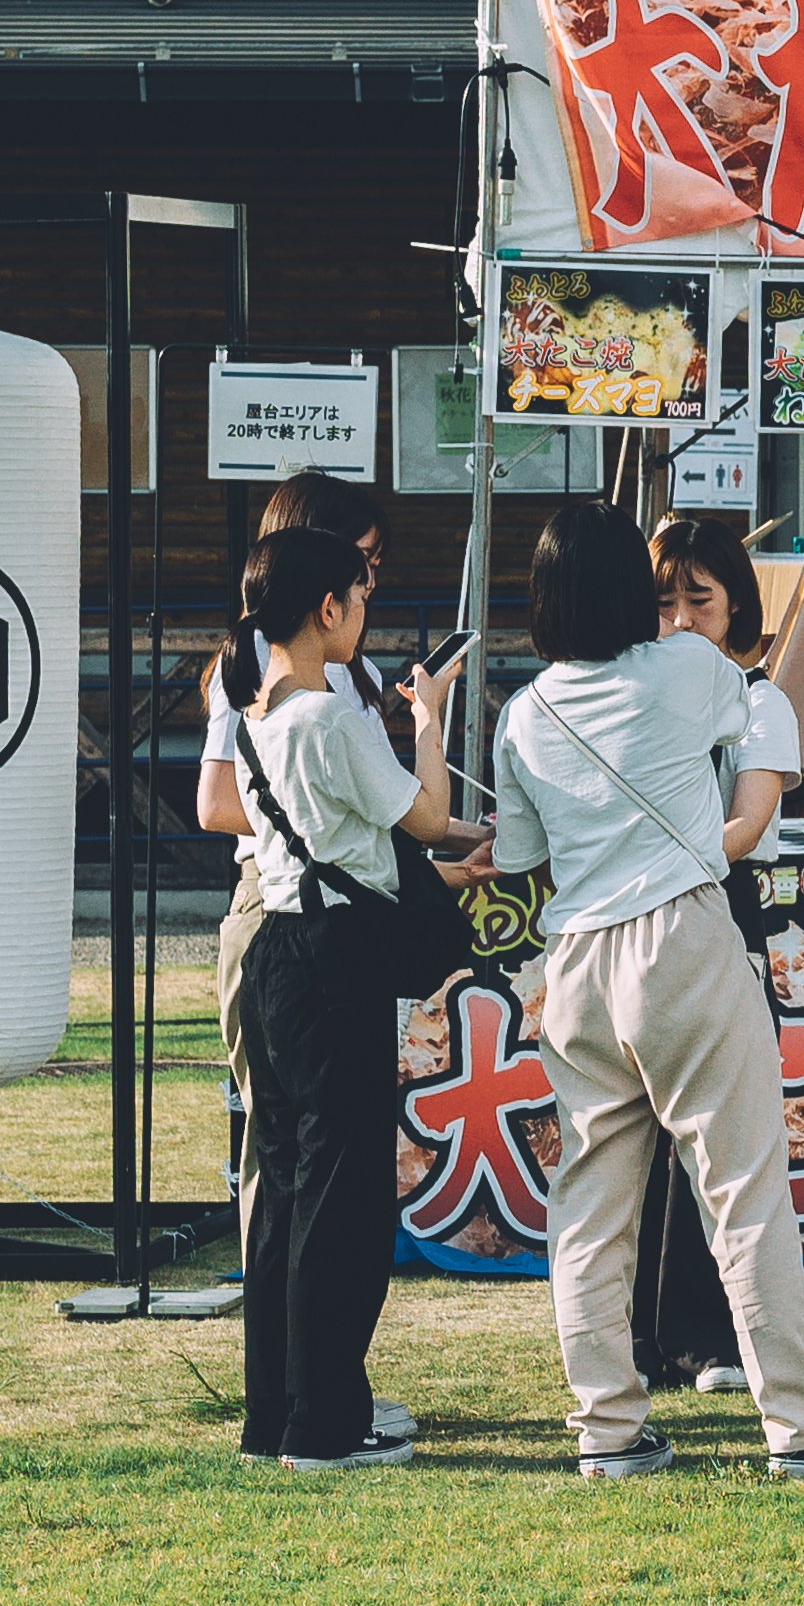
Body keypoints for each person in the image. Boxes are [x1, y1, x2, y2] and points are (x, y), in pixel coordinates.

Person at [490, 501, 804, 1482]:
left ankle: (607, 1430)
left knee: (588, 1209)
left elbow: (523, 853)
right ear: (630, 590)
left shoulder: (522, 714)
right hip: (684, 941)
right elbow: (757, 720)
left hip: (574, 959)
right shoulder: (693, 670)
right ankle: (801, 1429)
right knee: (741, 1193)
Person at [221, 524, 466, 1470]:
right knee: (345, 1198)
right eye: (358, 598)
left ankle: (276, 1413)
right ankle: (326, 1423)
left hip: (276, 955)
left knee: (285, 1188)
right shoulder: (333, 717)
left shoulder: (256, 718)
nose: (363, 613)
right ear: (328, 609)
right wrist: (431, 721)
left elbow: (354, 834)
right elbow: (427, 817)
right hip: (335, 964)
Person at [619, 508, 804, 1396]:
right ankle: (640, 1339)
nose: (683, 620)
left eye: (701, 600)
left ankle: (708, 1335)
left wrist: (655, 850)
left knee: (720, 1138)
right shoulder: (628, 695)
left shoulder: (760, 700)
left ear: (738, 607)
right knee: (637, 1138)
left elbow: (749, 821)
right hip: (642, 912)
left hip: (721, 910)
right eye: (664, 603)